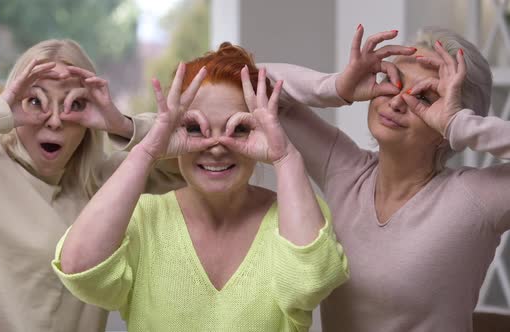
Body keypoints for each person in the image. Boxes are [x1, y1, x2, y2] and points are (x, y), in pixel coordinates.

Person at [52, 43, 350, 331]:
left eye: (239, 128)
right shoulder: (144, 219)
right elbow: (79, 268)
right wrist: (147, 151)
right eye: (195, 128)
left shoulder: (292, 217)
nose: (217, 147)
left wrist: (285, 156)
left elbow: (312, 281)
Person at [0, 39, 182, 332]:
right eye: (36, 101)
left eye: (76, 104)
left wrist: (121, 124)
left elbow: (193, 154)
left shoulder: (107, 184)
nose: (55, 120)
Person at [265, 26, 504, 331]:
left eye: (426, 97)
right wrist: (337, 86)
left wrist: (462, 125)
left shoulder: (478, 199)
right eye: (392, 81)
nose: (397, 101)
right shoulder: (344, 169)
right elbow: (244, 78)